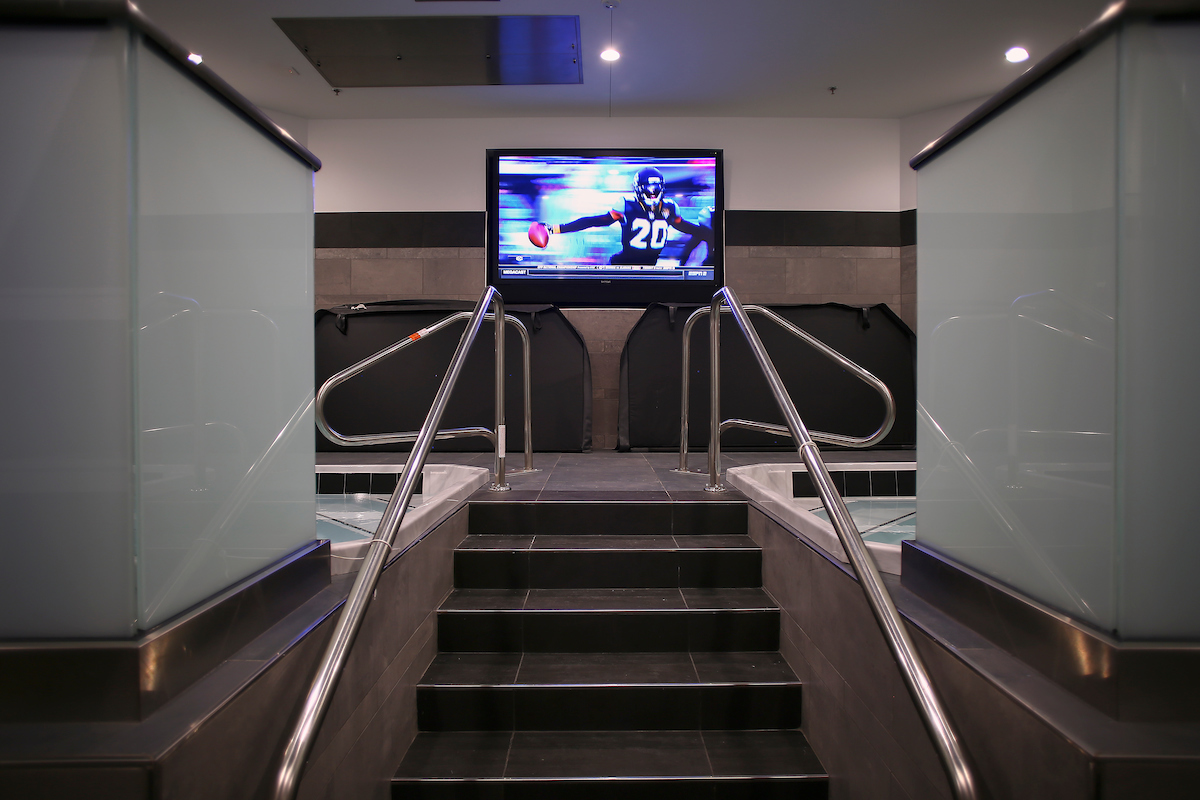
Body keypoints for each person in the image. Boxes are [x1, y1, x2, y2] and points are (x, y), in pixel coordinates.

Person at [531, 167, 712, 265]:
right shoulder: (634, 206)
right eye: (648, 189)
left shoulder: (667, 208)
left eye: (655, 189)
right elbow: (595, 221)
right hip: (625, 266)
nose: (652, 193)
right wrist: (555, 229)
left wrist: (712, 234)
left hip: (643, 268)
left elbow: (686, 227)